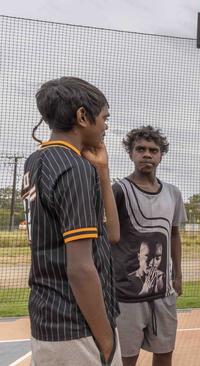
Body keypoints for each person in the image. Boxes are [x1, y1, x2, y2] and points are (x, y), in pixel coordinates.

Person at [22, 77, 122, 365]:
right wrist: (105, 340)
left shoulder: (36, 161)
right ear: (82, 116)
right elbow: (80, 268)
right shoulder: (73, 168)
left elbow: (112, 234)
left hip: (49, 320)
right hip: (77, 327)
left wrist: (102, 170)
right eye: (104, 117)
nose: (105, 126)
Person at [112, 126, 187, 366]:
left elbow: (174, 235)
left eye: (153, 150)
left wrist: (178, 274)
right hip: (126, 294)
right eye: (140, 149)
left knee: (165, 354)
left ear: (161, 155)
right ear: (131, 153)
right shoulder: (118, 191)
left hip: (163, 292)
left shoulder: (173, 194)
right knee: (126, 358)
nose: (147, 155)